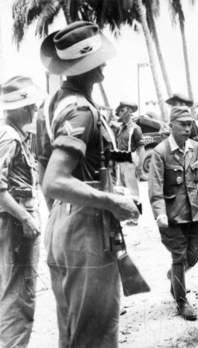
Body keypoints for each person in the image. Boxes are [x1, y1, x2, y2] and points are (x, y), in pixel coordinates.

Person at [38, 21, 140, 347]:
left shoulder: (52, 105)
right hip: (86, 229)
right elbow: (54, 180)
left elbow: (46, 168)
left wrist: (68, 210)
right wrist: (110, 201)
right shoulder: (81, 110)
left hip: (63, 224)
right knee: (95, 335)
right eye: (99, 62)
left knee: (73, 332)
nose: (104, 68)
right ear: (90, 67)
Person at [148, 106, 198, 321]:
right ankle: (182, 301)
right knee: (179, 256)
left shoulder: (196, 147)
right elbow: (155, 190)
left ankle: (175, 276)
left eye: (189, 124)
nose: (187, 128)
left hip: (195, 212)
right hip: (172, 215)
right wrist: (160, 214)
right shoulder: (160, 152)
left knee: (195, 253)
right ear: (171, 125)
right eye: (182, 124)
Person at [0, 76, 42, 348]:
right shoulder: (10, 138)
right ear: (21, 108)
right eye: (31, 106)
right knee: (19, 297)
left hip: (16, 223)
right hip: (16, 226)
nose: (34, 110)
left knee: (14, 292)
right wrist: (25, 217)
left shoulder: (17, 135)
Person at [115, 101, 145, 225]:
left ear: (129, 112)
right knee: (119, 190)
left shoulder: (136, 129)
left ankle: (135, 218)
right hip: (120, 162)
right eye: (120, 111)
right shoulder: (121, 128)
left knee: (134, 193)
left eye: (123, 111)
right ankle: (121, 217)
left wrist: (140, 166)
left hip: (129, 161)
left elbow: (141, 149)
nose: (120, 113)